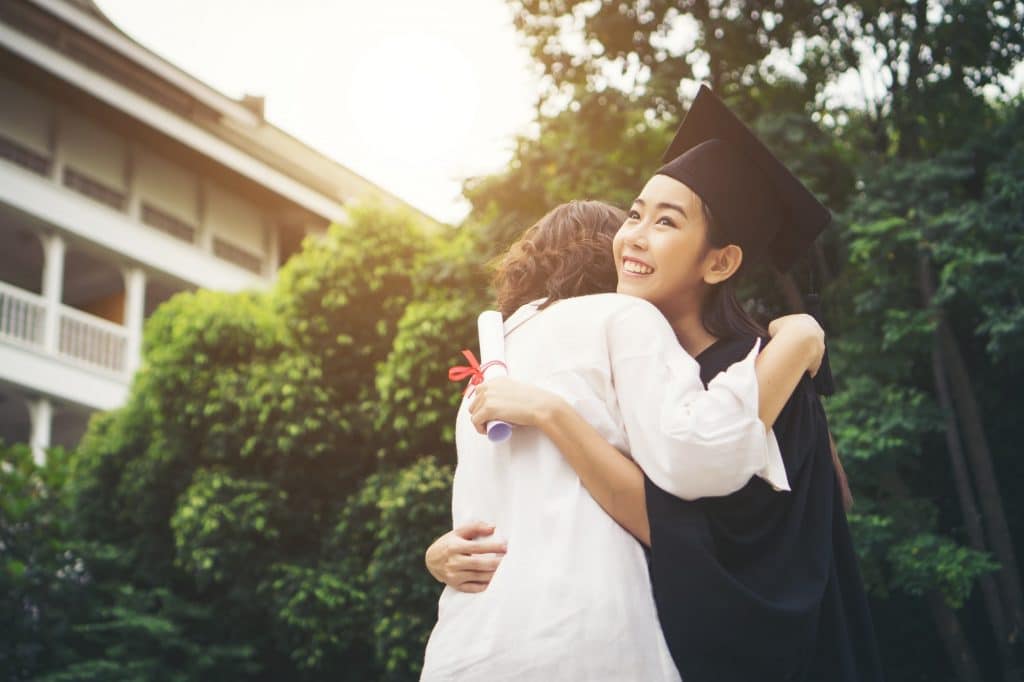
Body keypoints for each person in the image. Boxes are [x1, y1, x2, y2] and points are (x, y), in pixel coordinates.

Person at [455, 86, 884, 681]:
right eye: (635, 214)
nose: (634, 234)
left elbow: (712, 550)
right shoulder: (622, 362)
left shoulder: (760, 375)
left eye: (666, 222)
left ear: (719, 263)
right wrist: (450, 552)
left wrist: (553, 415)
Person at [419, 199, 825, 681]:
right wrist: (795, 340)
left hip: (467, 648)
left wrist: (435, 556)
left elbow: (479, 528)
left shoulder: (482, 381)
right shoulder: (622, 316)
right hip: (583, 633)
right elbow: (697, 446)